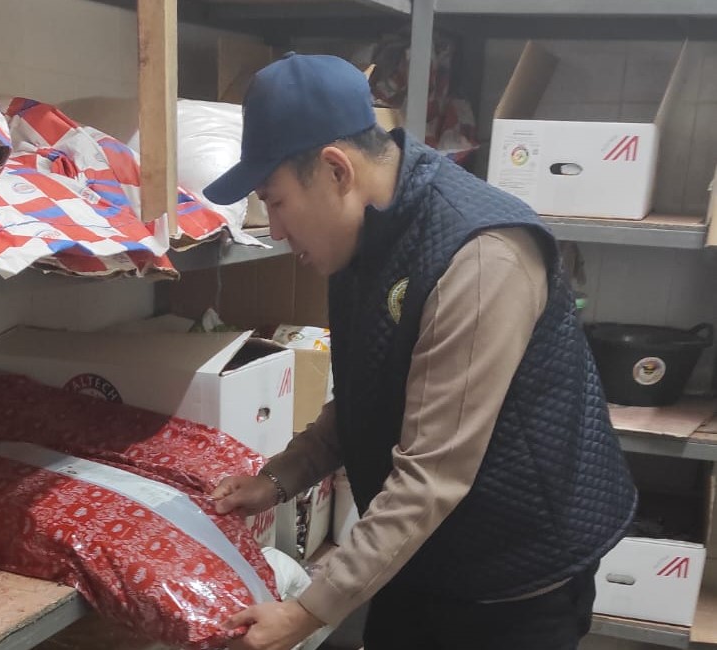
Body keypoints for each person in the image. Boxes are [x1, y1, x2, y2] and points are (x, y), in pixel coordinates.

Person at [202, 52, 637, 650]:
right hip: (424, 557)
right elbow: (368, 394)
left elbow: (433, 475)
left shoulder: (479, 257)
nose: (274, 229)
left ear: (336, 170)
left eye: (274, 202)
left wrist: (306, 612)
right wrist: (280, 478)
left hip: (513, 584)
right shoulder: (361, 242)